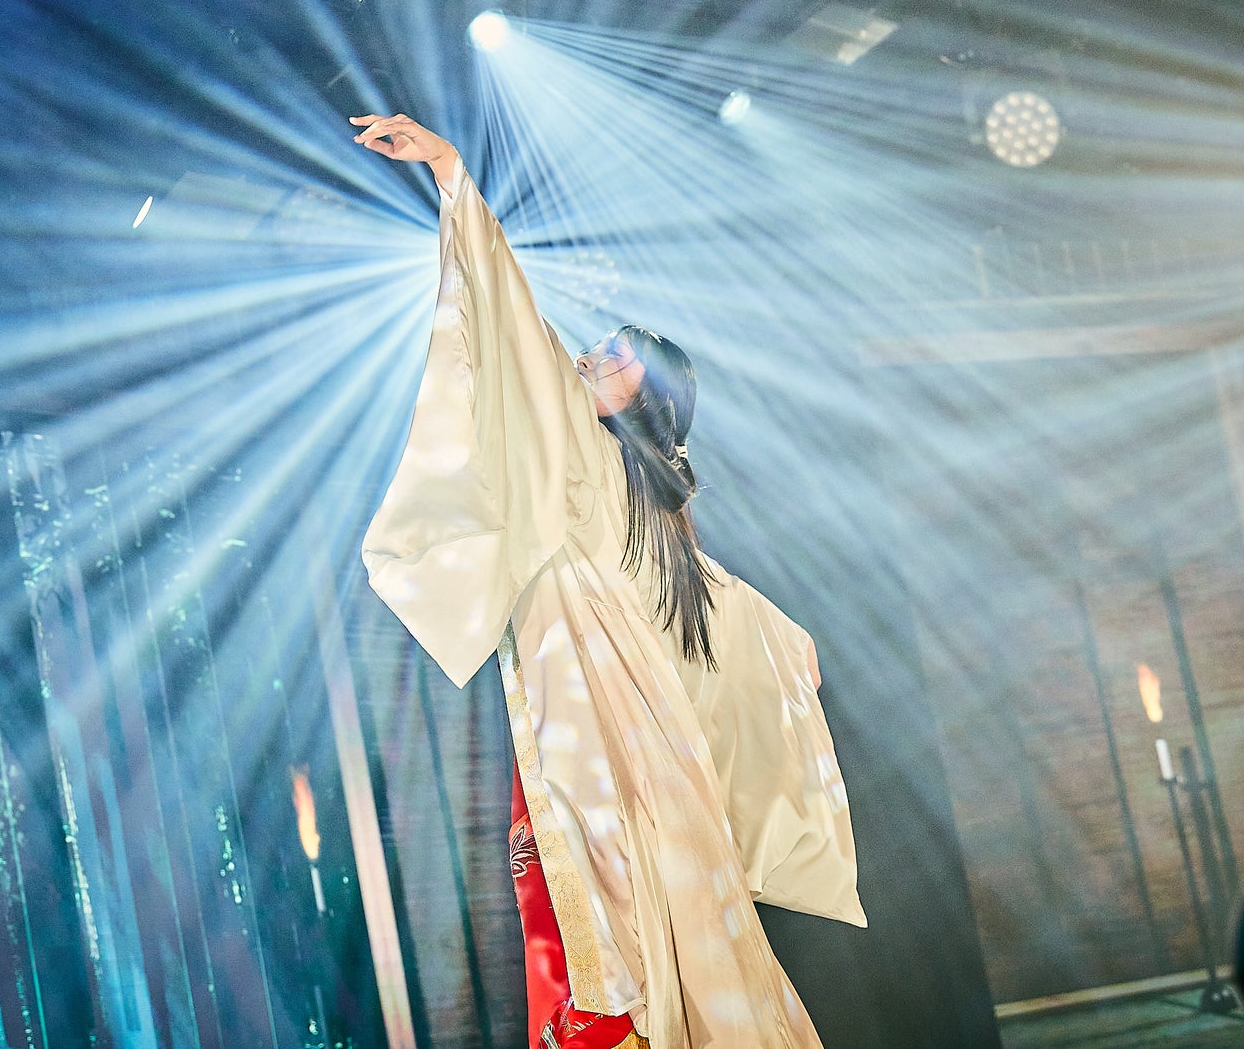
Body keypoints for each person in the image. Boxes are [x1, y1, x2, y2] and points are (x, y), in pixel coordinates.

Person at [354, 113, 865, 1049]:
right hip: (619, 739)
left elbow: (513, 326)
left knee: (604, 920)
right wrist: (793, 652)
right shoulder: (617, 490)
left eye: (619, 357)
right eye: (602, 346)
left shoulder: (610, 480)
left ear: (647, 399)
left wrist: (454, 175)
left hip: (600, 736)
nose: (593, 356)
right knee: (644, 922)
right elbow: (752, 620)